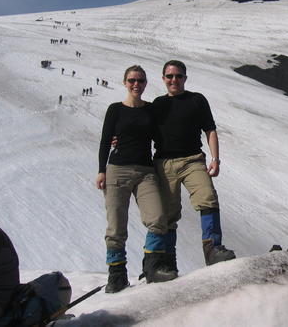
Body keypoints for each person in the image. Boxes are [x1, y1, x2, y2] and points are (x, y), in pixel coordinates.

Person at [97, 65, 176, 293]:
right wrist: (101, 170)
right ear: (124, 82)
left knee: (158, 217)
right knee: (116, 227)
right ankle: (117, 275)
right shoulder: (115, 110)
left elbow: (163, 134)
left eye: (140, 81)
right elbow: (105, 141)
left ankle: (151, 267)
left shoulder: (151, 110)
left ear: (145, 84)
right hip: (117, 170)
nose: (136, 84)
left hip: (145, 171)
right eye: (132, 80)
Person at [152, 60, 235, 271]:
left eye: (178, 76)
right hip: (164, 163)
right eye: (170, 76)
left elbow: (210, 130)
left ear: (185, 78)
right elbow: (142, 130)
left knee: (207, 197)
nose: (174, 80)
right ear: (163, 79)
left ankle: (212, 249)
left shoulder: (197, 100)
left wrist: (215, 159)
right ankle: (168, 263)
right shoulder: (158, 105)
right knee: (168, 214)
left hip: (193, 160)